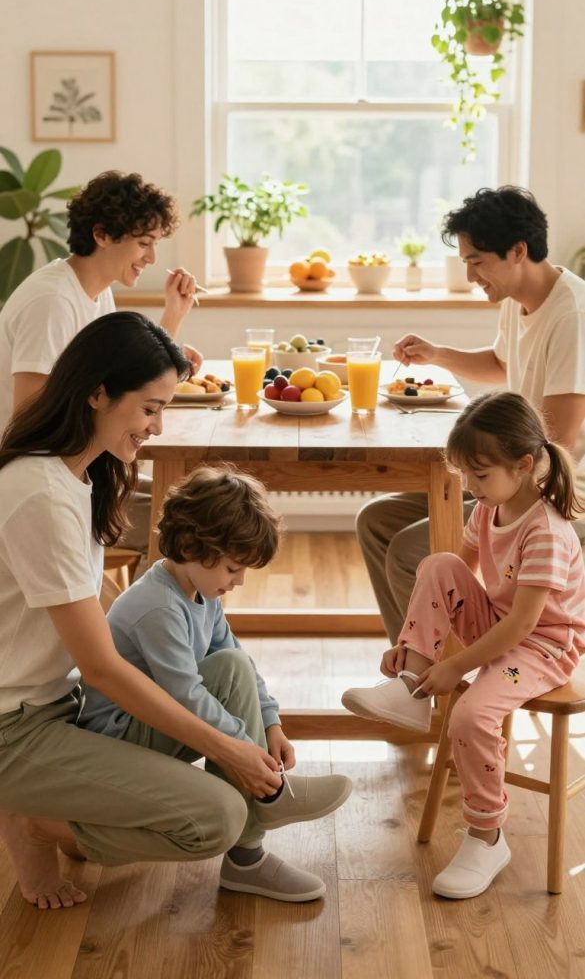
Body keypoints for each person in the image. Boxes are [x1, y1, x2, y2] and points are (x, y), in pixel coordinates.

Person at [0, 311, 344, 912]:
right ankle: (43, 823)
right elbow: (104, 669)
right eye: (150, 408)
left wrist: (258, 727)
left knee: (230, 669)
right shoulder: (41, 494)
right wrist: (231, 749)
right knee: (218, 814)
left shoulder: (78, 476)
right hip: (15, 728)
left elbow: (86, 614)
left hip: (58, 703)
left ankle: (249, 855)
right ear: (97, 392)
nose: (156, 427)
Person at [343, 392, 585, 899]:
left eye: (479, 476)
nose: (470, 488)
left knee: (471, 716)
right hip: (500, 625)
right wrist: (417, 646)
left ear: (523, 466)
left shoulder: (547, 531)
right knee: (435, 563)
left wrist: (456, 670)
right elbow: (454, 577)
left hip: (544, 649)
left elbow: (524, 626)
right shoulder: (488, 509)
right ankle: (409, 686)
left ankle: (486, 836)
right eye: (466, 476)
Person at [79, 463, 352, 901]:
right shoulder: (158, 607)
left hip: (160, 722)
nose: (239, 582)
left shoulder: (198, 590)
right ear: (189, 546)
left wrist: (270, 724)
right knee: (226, 672)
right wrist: (249, 756)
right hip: (119, 739)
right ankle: (262, 823)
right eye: (232, 568)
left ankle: (252, 846)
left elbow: (234, 656)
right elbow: (184, 695)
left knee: (231, 663)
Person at [356, 186, 585, 643]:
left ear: (517, 251)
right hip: (515, 473)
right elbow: (502, 363)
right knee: (376, 521)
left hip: (558, 488)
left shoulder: (573, 314)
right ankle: (415, 664)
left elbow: (561, 438)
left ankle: (444, 677)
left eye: (477, 260)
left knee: (408, 550)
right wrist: (436, 354)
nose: (470, 273)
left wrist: (485, 473)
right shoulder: (518, 301)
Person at [0, 170, 203, 556]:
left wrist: (172, 320)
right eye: (144, 243)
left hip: (77, 469)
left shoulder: (94, 295)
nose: (152, 257)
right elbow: (30, 421)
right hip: (38, 485)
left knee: (188, 506)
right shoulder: (52, 303)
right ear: (102, 234)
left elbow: (121, 379)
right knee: (187, 529)